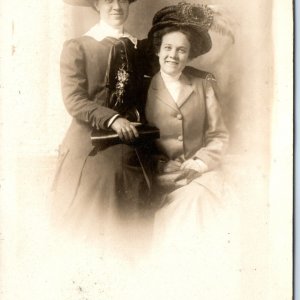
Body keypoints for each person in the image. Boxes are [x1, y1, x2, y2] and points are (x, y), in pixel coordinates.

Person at [144, 3, 241, 299]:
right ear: (159, 49)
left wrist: (201, 162)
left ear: (190, 55)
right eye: (168, 48)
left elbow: (219, 135)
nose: (173, 56)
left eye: (181, 50)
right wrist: (157, 167)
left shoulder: (203, 84)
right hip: (161, 176)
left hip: (200, 173)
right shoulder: (143, 86)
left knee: (205, 202)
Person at [50, 0, 153, 256]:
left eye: (122, 0)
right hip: (90, 141)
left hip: (133, 138)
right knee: (104, 183)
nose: (116, 6)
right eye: (108, 0)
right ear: (96, 4)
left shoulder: (141, 47)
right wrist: (112, 119)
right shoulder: (78, 46)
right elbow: (74, 99)